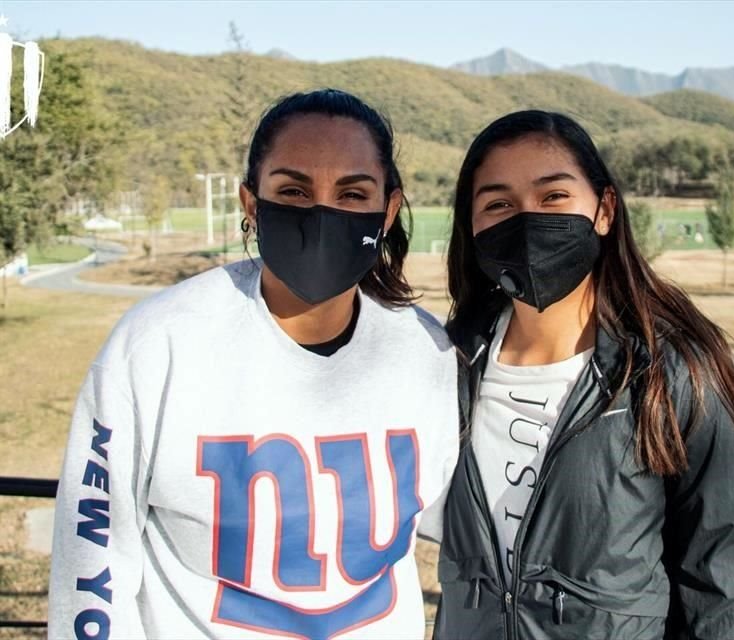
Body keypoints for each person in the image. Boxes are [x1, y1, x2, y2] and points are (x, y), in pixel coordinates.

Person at [48, 89, 459, 640]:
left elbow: (458, 524)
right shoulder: (158, 345)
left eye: (352, 192)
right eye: (292, 189)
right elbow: (94, 559)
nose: (321, 213)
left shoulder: (423, 351)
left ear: (387, 210)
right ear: (250, 204)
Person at [435, 110, 734, 639]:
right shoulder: (448, 360)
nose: (527, 220)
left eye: (554, 197)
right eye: (498, 204)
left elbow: (723, 587)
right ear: (472, 228)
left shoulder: (672, 371)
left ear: (605, 209)